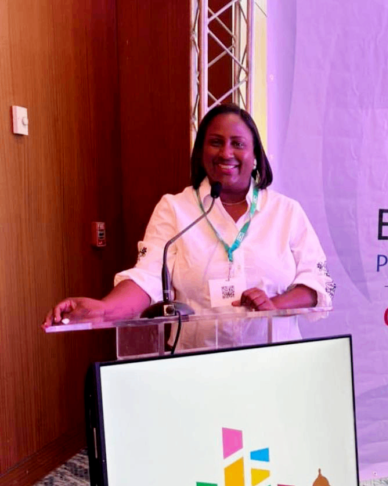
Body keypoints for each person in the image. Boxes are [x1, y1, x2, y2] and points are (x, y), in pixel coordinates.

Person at [43, 104, 335, 349]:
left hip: (273, 366)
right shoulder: (175, 209)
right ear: (201, 152)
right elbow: (148, 278)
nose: (226, 153)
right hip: (197, 368)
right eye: (216, 142)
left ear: (255, 155)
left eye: (238, 143)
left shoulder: (285, 212)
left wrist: (275, 303)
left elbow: (318, 283)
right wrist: (104, 309)